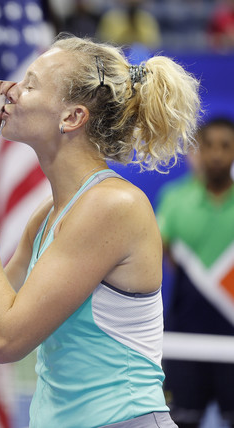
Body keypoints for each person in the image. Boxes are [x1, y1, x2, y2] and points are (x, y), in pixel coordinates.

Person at [0, 33, 200, 427]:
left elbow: (6, 341)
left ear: (72, 117)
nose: (10, 92)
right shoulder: (47, 216)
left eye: (30, 84)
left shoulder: (111, 205)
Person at [156, 117, 234, 428]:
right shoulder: (175, 200)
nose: (217, 154)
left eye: (226, 146)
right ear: (197, 151)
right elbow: (165, 254)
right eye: (209, 146)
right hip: (184, 339)